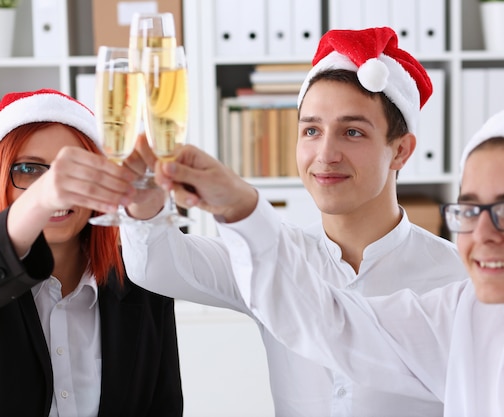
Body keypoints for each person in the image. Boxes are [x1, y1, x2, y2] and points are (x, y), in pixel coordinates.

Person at [162, 98, 504, 416]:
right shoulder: (466, 316)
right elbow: (329, 322)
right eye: (470, 209)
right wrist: (240, 208)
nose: (483, 234)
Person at [121, 27, 466, 417]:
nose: (326, 153)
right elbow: (155, 265)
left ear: (400, 150)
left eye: (352, 132)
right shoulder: (270, 257)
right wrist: (144, 204)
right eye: (311, 130)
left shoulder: (457, 277)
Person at [0, 89, 183, 416]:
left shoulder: (143, 280)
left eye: (76, 169)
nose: (60, 188)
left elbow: (163, 406)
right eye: (28, 170)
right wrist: (40, 200)